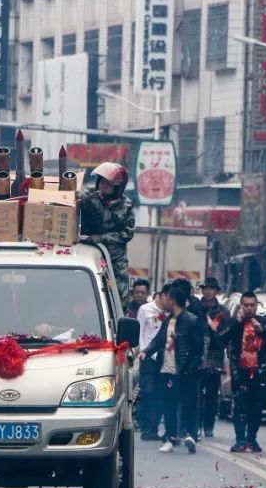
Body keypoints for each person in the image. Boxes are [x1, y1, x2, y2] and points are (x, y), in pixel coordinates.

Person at [143, 285, 205, 454]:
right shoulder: (167, 320)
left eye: (168, 298)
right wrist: (146, 352)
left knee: (188, 405)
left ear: (173, 300)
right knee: (168, 404)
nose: (165, 300)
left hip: (185, 372)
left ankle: (190, 435)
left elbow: (198, 349)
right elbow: (158, 341)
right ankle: (171, 438)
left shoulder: (191, 320)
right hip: (167, 371)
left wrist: (190, 368)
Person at [217, 291, 266, 454]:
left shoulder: (264, 321)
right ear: (241, 306)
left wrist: (261, 331)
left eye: (252, 305)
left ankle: (252, 437)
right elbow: (221, 338)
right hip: (240, 370)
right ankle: (240, 439)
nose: (249, 308)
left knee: (256, 406)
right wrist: (236, 323)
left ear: (256, 306)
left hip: (259, 369)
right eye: (246, 305)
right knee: (240, 405)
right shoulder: (232, 321)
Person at [79, 162, 136, 301]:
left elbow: (128, 233)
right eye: (102, 181)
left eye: (108, 183)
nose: (104, 185)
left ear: (118, 187)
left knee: (119, 295)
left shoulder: (126, 206)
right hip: (88, 252)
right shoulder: (90, 198)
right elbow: (75, 198)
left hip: (115, 258)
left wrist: (102, 238)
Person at [191, 277, 229, 439]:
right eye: (206, 288)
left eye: (211, 289)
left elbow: (224, 333)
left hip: (215, 355)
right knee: (196, 393)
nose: (208, 291)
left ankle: (208, 426)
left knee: (212, 394)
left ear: (216, 292)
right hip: (197, 355)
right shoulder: (195, 307)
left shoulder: (223, 312)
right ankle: (196, 425)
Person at [136, 285, 169, 441]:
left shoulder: (170, 313)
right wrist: (143, 351)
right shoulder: (145, 309)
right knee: (147, 392)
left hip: (164, 358)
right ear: (162, 295)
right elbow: (140, 332)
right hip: (148, 356)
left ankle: (153, 428)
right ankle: (145, 425)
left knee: (159, 395)